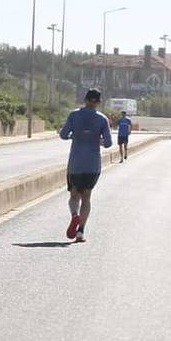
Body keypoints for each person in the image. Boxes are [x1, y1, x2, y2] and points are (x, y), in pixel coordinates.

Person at [59, 89, 112, 243]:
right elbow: (108, 143)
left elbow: (63, 134)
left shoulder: (74, 115)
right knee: (86, 197)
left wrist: (72, 136)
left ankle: (75, 216)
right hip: (92, 164)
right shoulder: (102, 119)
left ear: (85, 99)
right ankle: (80, 232)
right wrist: (98, 140)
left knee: (74, 194)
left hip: (76, 163)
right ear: (98, 102)